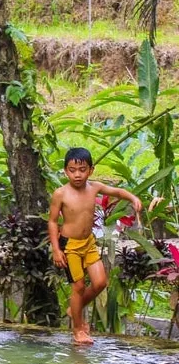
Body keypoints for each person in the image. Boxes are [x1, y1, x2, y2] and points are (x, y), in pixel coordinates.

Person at [48, 147, 142, 345]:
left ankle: (74, 307)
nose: (77, 174)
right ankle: (78, 330)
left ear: (91, 170)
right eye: (72, 170)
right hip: (70, 246)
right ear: (65, 171)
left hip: (88, 243)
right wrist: (56, 249)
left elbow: (116, 191)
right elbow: (53, 222)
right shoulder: (60, 193)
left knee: (100, 283)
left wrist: (133, 198)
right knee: (79, 286)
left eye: (82, 170)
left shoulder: (95, 187)